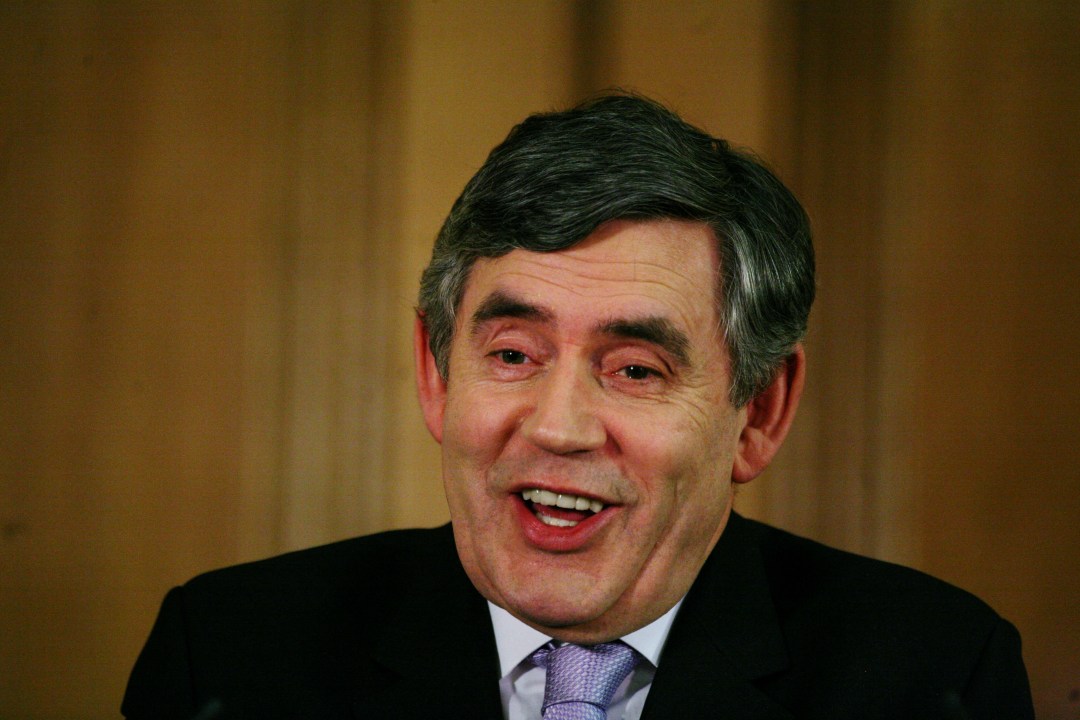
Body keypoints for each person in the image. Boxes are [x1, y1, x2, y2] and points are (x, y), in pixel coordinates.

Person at [122, 93, 1034, 720]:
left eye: (635, 369)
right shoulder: (233, 657)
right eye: (513, 355)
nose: (557, 428)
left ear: (759, 413)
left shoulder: (930, 677)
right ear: (436, 373)